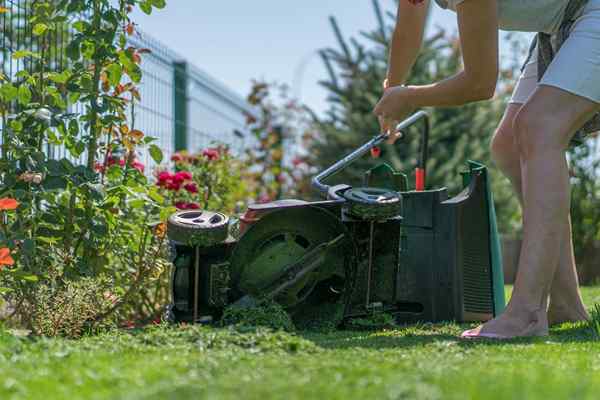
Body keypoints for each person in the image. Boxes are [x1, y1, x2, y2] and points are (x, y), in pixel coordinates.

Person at [374, 0, 597, 338]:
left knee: (540, 126)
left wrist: (409, 97)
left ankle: (526, 312)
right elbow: (409, 24)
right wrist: (393, 89)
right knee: (508, 144)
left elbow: (479, 83)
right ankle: (565, 303)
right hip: (562, 24)